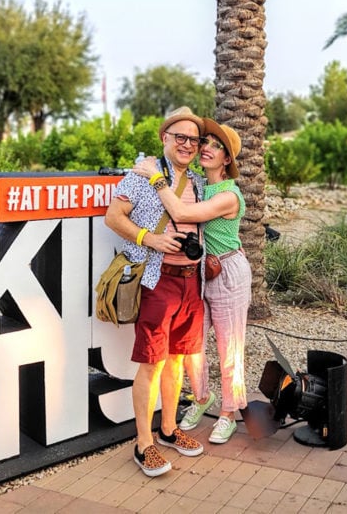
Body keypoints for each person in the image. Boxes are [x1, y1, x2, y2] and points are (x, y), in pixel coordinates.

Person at [133, 118, 251, 444]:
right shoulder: (197, 182)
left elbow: (183, 215)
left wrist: (155, 177)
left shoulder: (228, 195)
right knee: (190, 347)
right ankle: (202, 398)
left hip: (228, 272)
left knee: (230, 348)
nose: (206, 149)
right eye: (206, 142)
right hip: (200, 273)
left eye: (216, 146)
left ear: (227, 159)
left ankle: (229, 411)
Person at [104, 106, 207, 477]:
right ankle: (143, 443)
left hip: (191, 282)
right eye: (179, 137)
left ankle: (168, 428)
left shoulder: (196, 181)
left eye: (193, 139)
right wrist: (152, 239)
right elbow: (113, 217)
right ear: (164, 138)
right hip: (157, 281)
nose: (187, 144)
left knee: (177, 359)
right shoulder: (141, 175)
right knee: (152, 362)